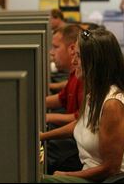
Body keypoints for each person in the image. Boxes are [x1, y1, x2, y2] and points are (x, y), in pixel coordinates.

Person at [41, 28, 124, 183]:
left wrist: (66, 175)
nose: (73, 62)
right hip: (100, 176)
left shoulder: (112, 104)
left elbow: (110, 169)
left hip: (121, 180)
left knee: (43, 180)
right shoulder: (95, 92)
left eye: (78, 57)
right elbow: (82, 124)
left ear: (95, 62)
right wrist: (42, 136)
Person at [45, 24, 83, 175]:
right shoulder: (75, 74)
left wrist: (47, 116)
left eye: (55, 47)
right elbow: (61, 99)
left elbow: (80, 119)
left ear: (72, 49)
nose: (51, 53)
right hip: (76, 139)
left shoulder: (83, 76)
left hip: (78, 146)